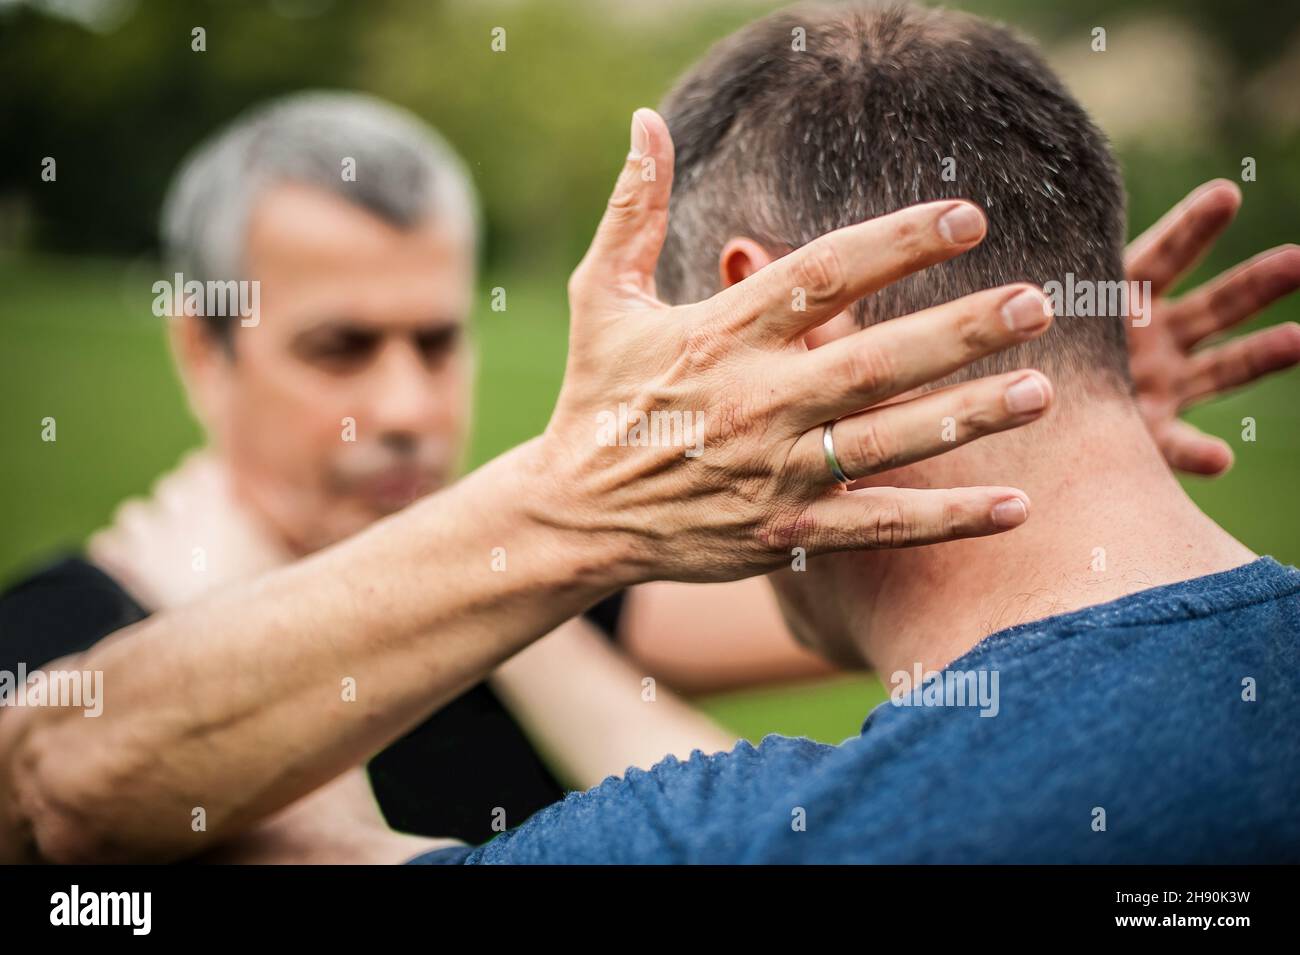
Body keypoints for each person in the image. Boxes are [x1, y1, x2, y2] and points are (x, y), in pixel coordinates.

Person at [2, 2, 1297, 864]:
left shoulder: (616, 648)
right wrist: (1063, 406)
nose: (402, 408)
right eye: (341, 347)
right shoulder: (48, 638)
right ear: (202, 341)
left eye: (439, 340)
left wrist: (1051, 413)